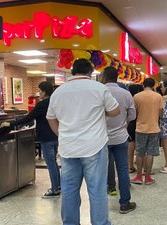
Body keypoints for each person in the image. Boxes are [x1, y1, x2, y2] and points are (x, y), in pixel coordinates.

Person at [47, 58, 120, 225]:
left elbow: (50, 118)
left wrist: (61, 135)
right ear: (90, 72)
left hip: (68, 148)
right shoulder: (99, 88)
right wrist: (101, 112)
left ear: (73, 71)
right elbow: (115, 111)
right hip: (94, 146)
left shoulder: (58, 92)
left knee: (69, 191)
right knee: (97, 191)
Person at [1, 81, 60, 198]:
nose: (39, 93)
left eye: (40, 91)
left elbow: (28, 118)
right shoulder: (55, 103)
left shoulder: (42, 104)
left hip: (46, 138)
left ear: (44, 91)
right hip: (55, 136)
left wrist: (10, 123)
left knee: (51, 163)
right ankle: (58, 186)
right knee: (54, 162)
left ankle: (55, 189)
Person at [101, 66, 137, 212]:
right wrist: (124, 122)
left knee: (103, 169)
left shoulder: (99, 92)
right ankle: (124, 203)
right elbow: (133, 115)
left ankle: (103, 201)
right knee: (122, 169)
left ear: (104, 77)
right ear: (116, 77)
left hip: (102, 137)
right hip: (121, 137)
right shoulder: (126, 93)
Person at [131, 78, 163, 185]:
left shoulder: (137, 96)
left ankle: (139, 176)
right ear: (154, 85)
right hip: (154, 128)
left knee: (139, 153)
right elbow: (161, 113)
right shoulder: (158, 96)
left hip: (140, 128)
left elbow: (134, 113)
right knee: (150, 153)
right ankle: (148, 177)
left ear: (143, 85)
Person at [127, 84, 144, 173]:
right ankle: (141, 163)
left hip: (131, 123)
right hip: (141, 122)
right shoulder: (139, 98)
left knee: (131, 143)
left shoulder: (129, 99)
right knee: (140, 144)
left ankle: (130, 165)